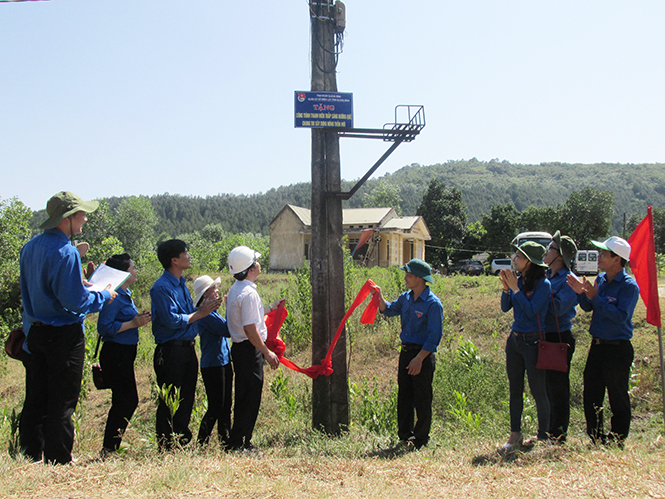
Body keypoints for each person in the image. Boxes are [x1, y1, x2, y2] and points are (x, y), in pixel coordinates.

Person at [19, 191, 117, 464]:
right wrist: (103, 296)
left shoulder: (30, 247)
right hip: (63, 335)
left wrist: (78, 283)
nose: (85, 218)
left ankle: (30, 455)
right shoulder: (66, 251)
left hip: (35, 333)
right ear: (68, 218)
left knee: (36, 397)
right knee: (62, 400)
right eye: (81, 214)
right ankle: (59, 459)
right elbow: (75, 302)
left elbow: (40, 288)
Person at [567, 236, 639, 446]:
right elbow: (589, 307)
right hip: (597, 346)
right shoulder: (600, 280)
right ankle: (596, 437)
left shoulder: (628, 286)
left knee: (617, 394)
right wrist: (582, 293)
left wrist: (594, 297)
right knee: (591, 392)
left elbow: (619, 316)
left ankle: (617, 438)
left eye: (604, 254)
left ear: (617, 260)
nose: (599, 257)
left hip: (617, 348)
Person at [150, 239, 222, 451]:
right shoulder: (162, 288)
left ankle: (179, 440)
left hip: (187, 348)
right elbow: (172, 320)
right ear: (174, 260)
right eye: (185, 253)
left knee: (186, 397)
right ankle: (167, 444)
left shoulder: (180, 283)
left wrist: (204, 312)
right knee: (171, 398)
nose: (189, 256)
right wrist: (201, 313)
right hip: (171, 350)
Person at [375, 258, 443, 450]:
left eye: (409, 275)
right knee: (404, 396)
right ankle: (405, 435)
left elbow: (434, 337)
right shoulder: (405, 298)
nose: (405, 278)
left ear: (420, 279)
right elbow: (388, 310)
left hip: (422, 355)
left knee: (422, 397)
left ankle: (421, 438)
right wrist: (379, 296)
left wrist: (419, 359)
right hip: (406, 353)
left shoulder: (433, 304)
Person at [225, 246, 281, 451]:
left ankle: (239, 440)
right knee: (250, 397)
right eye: (256, 262)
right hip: (249, 350)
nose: (259, 264)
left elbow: (250, 317)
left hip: (242, 350)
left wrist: (271, 308)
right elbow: (250, 328)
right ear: (250, 268)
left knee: (244, 395)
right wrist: (266, 352)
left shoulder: (237, 289)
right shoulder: (248, 293)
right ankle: (240, 443)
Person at [97, 254, 152, 457]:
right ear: (122, 273)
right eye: (132, 267)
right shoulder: (114, 296)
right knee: (126, 400)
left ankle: (111, 446)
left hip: (125, 353)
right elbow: (104, 327)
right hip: (116, 353)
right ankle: (109, 447)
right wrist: (132, 324)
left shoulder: (125, 294)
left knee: (124, 399)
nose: (135, 270)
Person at [499, 241, 551, 451]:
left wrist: (515, 290)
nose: (514, 260)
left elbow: (531, 311)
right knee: (515, 389)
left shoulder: (543, 285)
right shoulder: (517, 281)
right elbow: (505, 307)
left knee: (539, 390)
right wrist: (506, 290)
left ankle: (543, 436)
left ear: (529, 261)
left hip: (533, 341)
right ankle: (515, 434)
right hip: (516, 340)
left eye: (519, 256)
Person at [542, 231, 578, 443]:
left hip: (559, 338)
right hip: (546, 336)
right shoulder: (547, 277)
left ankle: (558, 435)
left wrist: (541, 294)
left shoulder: (568, 281)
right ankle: (547, 431)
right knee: (546, 388)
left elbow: (557, 308)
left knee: (558, 388)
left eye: (551, 248)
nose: (546, 251)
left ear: (560, 256)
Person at [193, 275, 233, 447]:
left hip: (223, 361)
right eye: (213, 289)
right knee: (216, 405)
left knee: (225, 405)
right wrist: (231, 308)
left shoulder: (211, 313)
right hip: (213, 364)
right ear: (205, 294)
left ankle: (225, 440)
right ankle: (202, 442)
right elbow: (226, 330)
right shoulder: (206, 315)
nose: (217, 291)